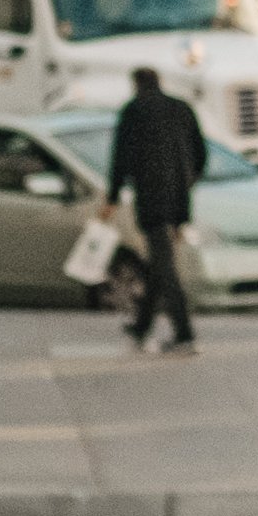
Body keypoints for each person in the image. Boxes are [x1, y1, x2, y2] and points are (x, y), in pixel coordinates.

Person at [106, 65, 206, 351]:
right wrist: (188, 180)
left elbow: (120, 157)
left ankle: (184, 333)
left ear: (136, 84)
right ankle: (142, 326)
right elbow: (200, 152)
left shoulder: (134, 111)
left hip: (151, 197)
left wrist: (112, 197)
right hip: (178, 196)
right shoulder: (181, 108)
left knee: (165, 265)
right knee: (158, 262)